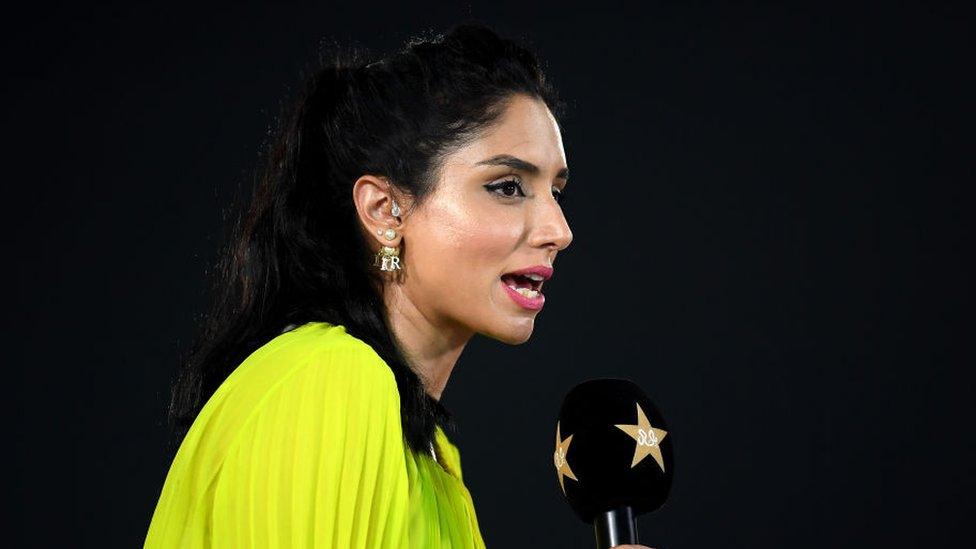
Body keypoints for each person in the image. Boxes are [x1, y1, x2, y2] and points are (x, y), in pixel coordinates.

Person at [144, 22, 653, 549]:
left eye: (557, 192)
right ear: (385, 211)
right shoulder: (331, 379)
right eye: (507, 187)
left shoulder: (433, 458)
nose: (559, 231)